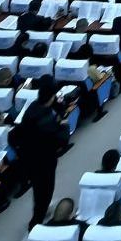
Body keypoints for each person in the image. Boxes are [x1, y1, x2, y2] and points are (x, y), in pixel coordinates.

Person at [15, 80, 70, 225]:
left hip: (29, 157)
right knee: (45, 191)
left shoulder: (33, 107)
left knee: (38, 190)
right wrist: (63, 126)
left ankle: (40, 213)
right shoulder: (45, 120)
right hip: (44, 160)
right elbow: (61, 140)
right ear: (51, 97)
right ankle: (35, 224)